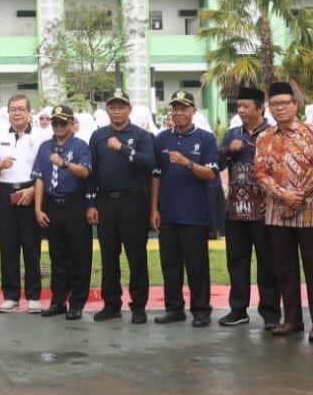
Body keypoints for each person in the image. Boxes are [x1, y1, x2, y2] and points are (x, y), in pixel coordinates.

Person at [255, 82, 313, 339]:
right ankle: (292, 319)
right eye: (275, 105)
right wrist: (283, 195)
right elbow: (261, 173)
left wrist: (298, 196)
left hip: (310, 211)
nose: (280, 109)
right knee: (285, 268)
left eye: (285, 103)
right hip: (277, 212)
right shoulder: (264, 138)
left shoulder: (312, 132)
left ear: (295, 105)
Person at [87, 91, 156, 324]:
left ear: (129, 110)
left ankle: (138, 306)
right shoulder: (98, 136)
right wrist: (91, 202)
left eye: (121, 107)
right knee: (109, 256)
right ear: (107, 110)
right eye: (113, 107)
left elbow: (150, 163)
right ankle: (111, 304)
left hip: (133, 201)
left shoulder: (140, 135)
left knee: (136, 256)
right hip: (106, 201)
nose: (117, 111)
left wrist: (123, 149)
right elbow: (92, 173)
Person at [151, 92, 219, 326]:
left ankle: (201, 310)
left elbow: (211, 173)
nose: (179, 112)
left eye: (184, 108)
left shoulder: (206, 138)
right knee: (170, 264)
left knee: (196, 264)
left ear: (193, 111)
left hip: (195, 212)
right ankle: (174, 308)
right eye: (175, 108)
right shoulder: (161, 139)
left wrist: (187, 163)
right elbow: (156, 175)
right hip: (168, 211)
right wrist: (154, 209)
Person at [218, 87, 281, 329]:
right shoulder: (232, 133)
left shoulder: (273, 133)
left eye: (246, 106)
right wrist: (227, 150)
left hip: (264, 210)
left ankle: (271, 313)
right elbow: (218, 164)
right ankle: (238, 309)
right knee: (236, 260)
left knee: (268, 262)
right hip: (235, 209)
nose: (241, 111)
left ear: (260, 108)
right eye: (239, 107)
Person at [33, 105, 93, 320]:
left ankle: (77, 302)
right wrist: (38, 208)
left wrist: (65, 164)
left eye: (63, 122)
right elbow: (39, 178)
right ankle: (58, 300)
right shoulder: (44, 146)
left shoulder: (79, 146)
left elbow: (85, 172)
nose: (59, 126)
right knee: (57, 256)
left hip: (74, 204)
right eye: (55, 123)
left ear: (71, 123)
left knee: (79, 255)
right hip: (52, 204)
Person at [0, 95, 44, 312]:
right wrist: (0, 165)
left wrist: (33, 190)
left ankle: (33, 296)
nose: (17, 113)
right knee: (8, 247)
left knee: (32, 247)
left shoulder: (40, 137)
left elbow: (45, 171)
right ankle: (11, 295)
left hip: (31, 191)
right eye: (13, 109)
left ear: (30, 112)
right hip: (4, 193)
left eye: (21, 109)